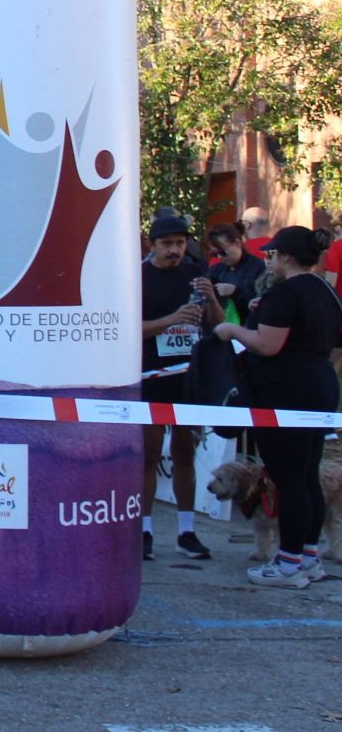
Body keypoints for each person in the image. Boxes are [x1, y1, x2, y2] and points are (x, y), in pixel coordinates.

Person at [212, 225, 342, 587]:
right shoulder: (325, 291)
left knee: (290, 479)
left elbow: (267, 345)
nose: (268, 261)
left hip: (286, 393)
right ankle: (308, 557)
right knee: (308, 475)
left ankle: (287, 563)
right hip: (319, 384)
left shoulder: (287, 292)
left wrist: (232, 331)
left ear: (286, 256)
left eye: (272, 255)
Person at [139, 214, 212, 562]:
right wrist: (171, 320)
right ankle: (144, 530)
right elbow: (128, 329)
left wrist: (210, 299)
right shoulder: (138, 277)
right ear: (152, 245)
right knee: (149, 455)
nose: (174, 250)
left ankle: (187, 531)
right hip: (151, 375)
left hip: (188, 376)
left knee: (186, 452)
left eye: (180, 243)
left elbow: (217, 324)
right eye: (167, 243)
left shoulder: (195, 274)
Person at [206, 223, 266, 323]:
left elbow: (263, 302)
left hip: (247, 327)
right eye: (214, 254)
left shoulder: (258, 268)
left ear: (237, 244)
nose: (219, 257)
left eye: (222, 252)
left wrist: (236, 292)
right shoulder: (215, 270)